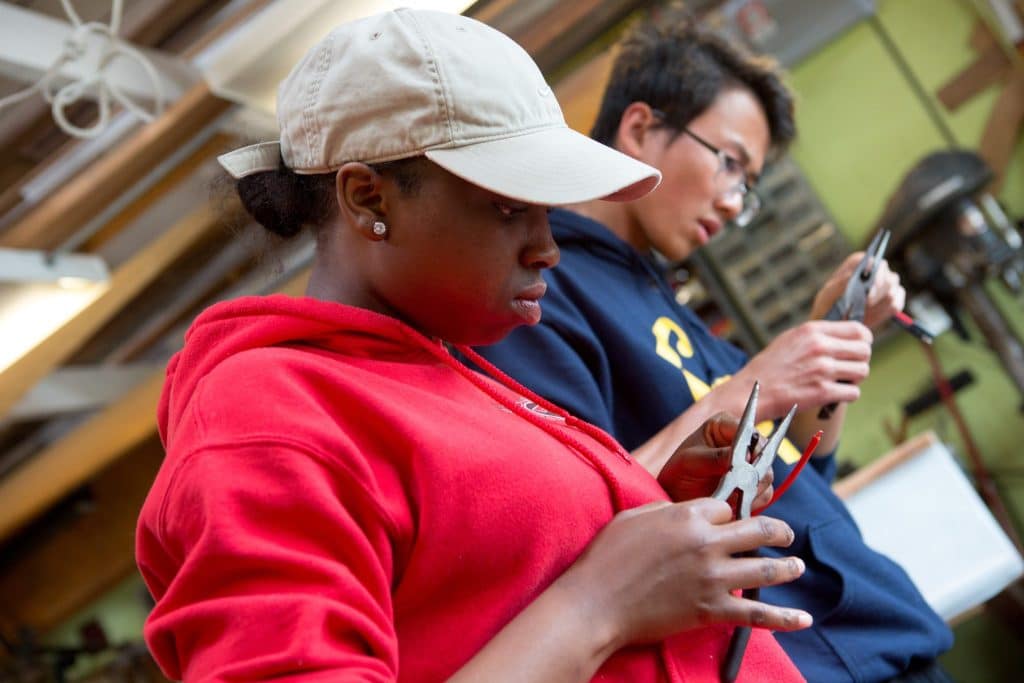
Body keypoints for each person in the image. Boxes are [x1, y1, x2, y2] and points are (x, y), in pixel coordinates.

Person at [134, 9, 815, 682]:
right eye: (509, 207)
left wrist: (638, 506)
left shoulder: (441, 366)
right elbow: (586, 602)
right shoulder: (264, 419)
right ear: (369, 199)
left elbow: (482, 595)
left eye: (547, 211)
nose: (547, 248)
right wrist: (597, 604)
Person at [475, 8, 955, 683]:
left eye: (747, 187)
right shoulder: (544, 292)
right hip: (805, 660)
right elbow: (578, 527)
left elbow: (799, 476)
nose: (733, 201)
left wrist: (832, 340)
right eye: (730, 164)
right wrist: (752, 385)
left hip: (882, 637)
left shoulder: (658, 294)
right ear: (640, 128)